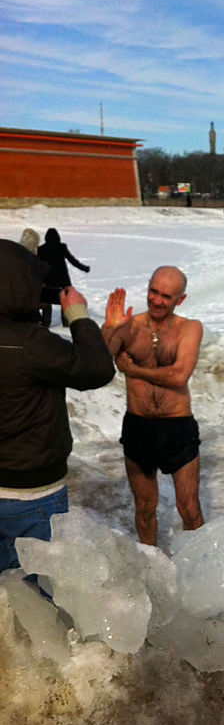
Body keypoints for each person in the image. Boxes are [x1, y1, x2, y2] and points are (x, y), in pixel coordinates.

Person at [0, 240, 115, 573]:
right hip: (31, 492)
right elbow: (96, 369)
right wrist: (78, 317)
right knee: (38, 589)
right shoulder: (32, 344)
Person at [102, 267, 204, 546]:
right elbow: (96, 363)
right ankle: (151, 566)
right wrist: (110, 328)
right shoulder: (129, 327)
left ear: (179, 300)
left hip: (177, 426)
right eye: (153, 292)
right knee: (145, 509)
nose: (157, 300)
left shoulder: (190, 328)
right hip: (138, 426)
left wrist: (133, 370)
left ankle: (201, 570)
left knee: (190, 510)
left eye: (166, 296)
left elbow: (179, 375)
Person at [37, 227, 90, 327]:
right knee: (65, 299)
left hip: (47, 279)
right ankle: (66, 322)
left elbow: (37, 265)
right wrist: (84, 268)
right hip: (62, 279)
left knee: (47, 301)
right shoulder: (62, 247)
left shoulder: (40, 249)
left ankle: (46, 323)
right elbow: (72, 260)